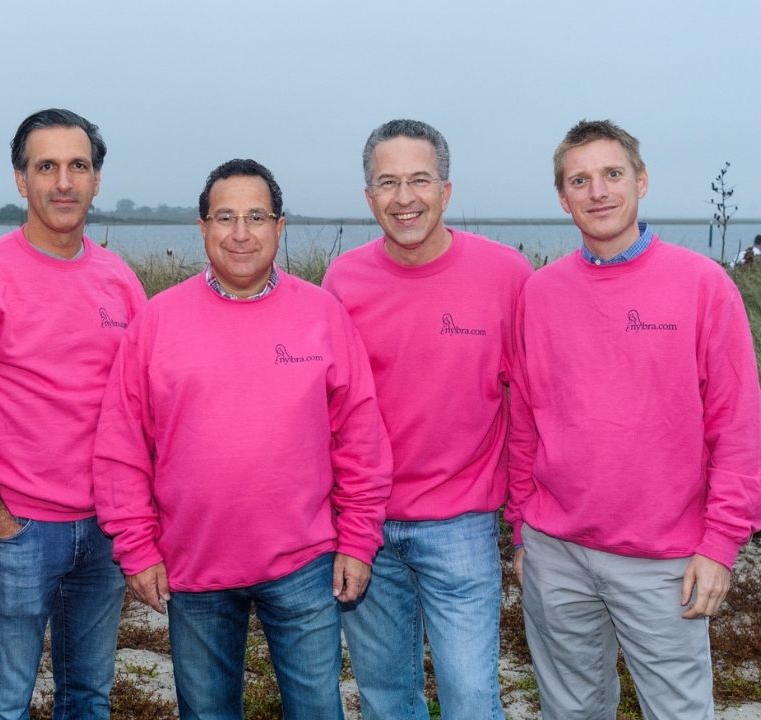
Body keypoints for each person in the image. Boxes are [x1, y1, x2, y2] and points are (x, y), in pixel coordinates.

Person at [93, 158, 392, 719]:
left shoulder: (323, 314)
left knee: (317, 710)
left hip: (304, 566)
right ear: (202, 228)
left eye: (257, 216)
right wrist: (135, 546)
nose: (240, 232)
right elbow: (121, 446)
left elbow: (360, 438)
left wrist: (357, 540)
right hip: (195, 565)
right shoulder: (157, 321)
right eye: (224, 216)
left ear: (281, 228)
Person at [507, 119, 761, 718]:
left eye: (612, 174)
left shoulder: (703, 285)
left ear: (641, 182)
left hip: (665, 557)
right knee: (571, 709)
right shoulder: (539, 293)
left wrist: (721, 544)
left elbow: (738, 427)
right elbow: (524, 419)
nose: (597, 191)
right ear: (563, 197)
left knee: (677, 712)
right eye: (580, 180)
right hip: (556, 552)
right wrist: (522, 529)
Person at [0, 108, 146, 720]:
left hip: (104, 530)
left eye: (78, 166)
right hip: (18, 529)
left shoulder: (121, 281)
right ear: (21, 180)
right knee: (4, 702)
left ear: (97, 179)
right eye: (46, 166)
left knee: (90, 695)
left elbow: (140, 408)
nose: (64, 182)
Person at [323, 119, 532, 719]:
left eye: (420, 179)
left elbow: (527, 407)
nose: (404, 197)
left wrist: (520, 520)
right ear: (368, 197)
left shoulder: (507, 276)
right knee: (388, 698)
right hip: (365, 527)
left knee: (471, 697)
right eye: (388, 182)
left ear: (447, 190)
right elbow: (331, 411)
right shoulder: (343, 281)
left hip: (461, 525)